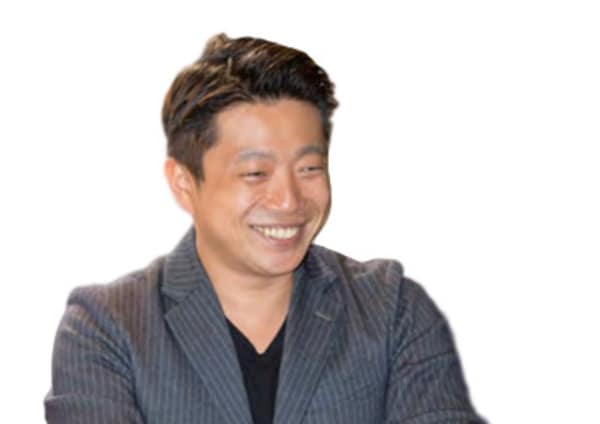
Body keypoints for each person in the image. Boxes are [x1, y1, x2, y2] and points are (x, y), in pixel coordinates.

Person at [45, 33, 486, 424]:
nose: (289, 200)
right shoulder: (108, 328)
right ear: (184, 183)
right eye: (256, 173)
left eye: (309, 168)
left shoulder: (390, 311)